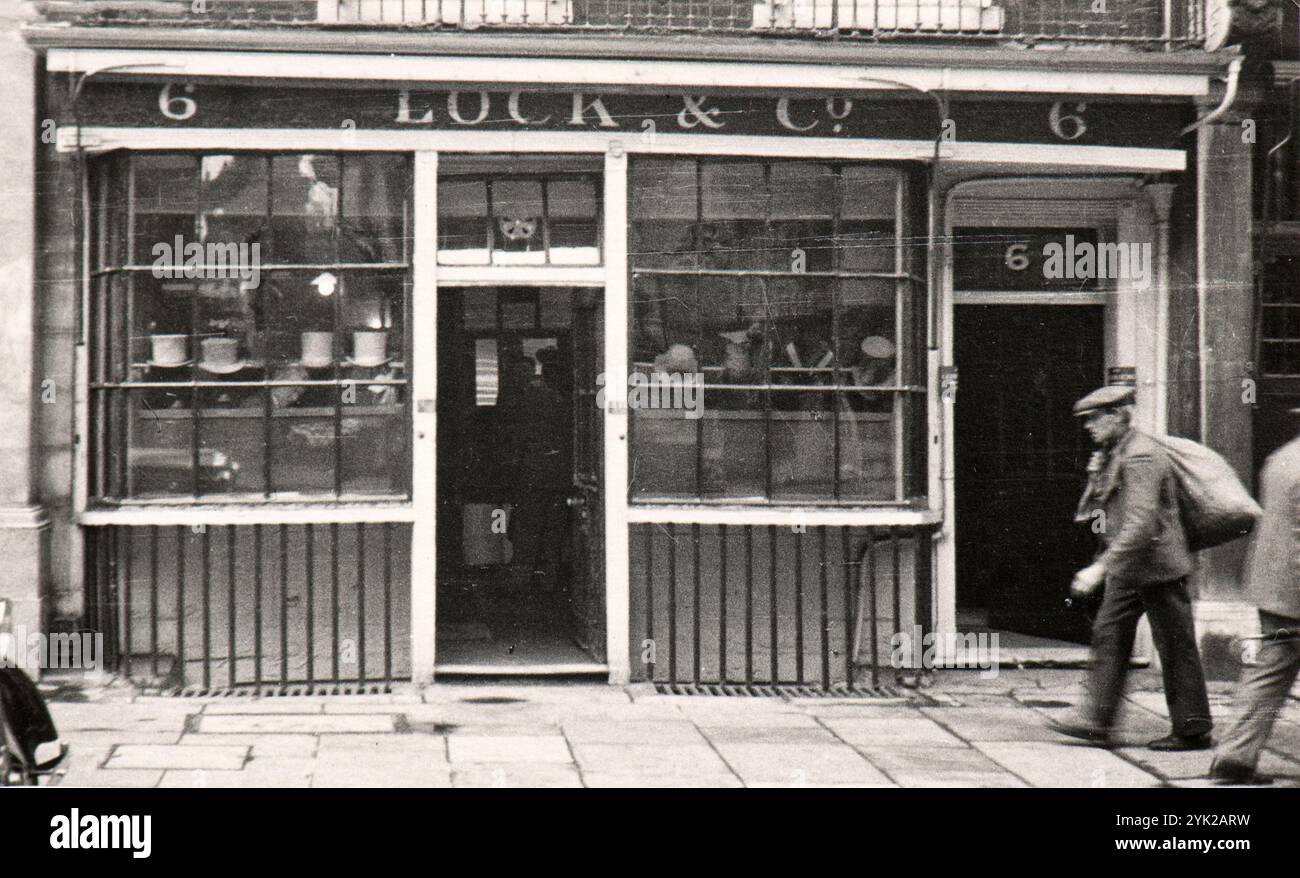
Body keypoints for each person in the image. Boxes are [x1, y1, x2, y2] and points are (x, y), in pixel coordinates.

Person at [1049, 384, 1213, 751]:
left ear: (1118, 416)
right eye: (1086, 419)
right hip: (1132, 567)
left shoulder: (1141, 455)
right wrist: (1096, 477)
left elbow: (1141, 522)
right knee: (1109, 635)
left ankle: (1192, 730)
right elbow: (1093, 511)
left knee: (1175, 646)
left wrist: (1100, 569)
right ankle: (1095, 720)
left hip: (1158, 568)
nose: (1088, 426)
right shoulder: (1116, 452)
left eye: (1094, 419)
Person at [1208, 418, 1300, 784]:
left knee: (1267, 674)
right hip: (1296, 589)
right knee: (1269, 672)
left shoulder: (1281, 458)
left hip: (1273, 590)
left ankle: (1234, 758)